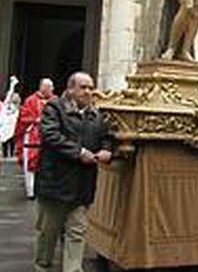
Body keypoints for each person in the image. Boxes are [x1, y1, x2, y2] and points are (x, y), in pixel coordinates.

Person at [33, 72, 113, 272]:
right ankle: (42, 267)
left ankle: (73, 269)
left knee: (77, 232)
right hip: (55, 185)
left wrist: (107, 150)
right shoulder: (54, 108)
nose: (88, 91)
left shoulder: (96, 115)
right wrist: (78, 152)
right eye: (83, 87)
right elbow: (50, 135)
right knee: (48, 233)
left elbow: (106, 137)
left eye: (90, 87)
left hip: (82, 186)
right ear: (70, 89)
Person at [16, 78, 56, 199]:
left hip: (49, 138)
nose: (52, 90)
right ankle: (31, 191)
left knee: (48, 165)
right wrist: (36, 120)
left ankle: (45, 190)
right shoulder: (30, 100)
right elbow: (23, 118)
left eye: (52, 88)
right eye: (49, 88)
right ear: (42, 88)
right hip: (33, 138)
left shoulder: (55, 101)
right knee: (31, 166)